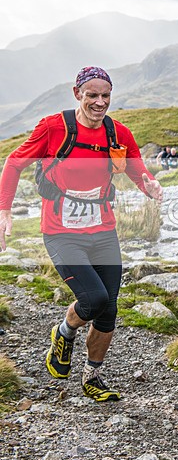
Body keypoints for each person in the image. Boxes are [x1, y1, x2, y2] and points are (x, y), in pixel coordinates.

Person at [0, 66, 163, 401]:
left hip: (103, 230)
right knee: (94, 299)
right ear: (77, 94)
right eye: (92, 95)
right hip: (61, 233)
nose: (100, 102)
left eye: (105, 95)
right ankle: (63, 332)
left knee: (109, 308)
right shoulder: (53, 128)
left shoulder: (119, 134)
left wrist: (150, 186)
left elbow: (137, 171)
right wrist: (4, 211)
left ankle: (93, 376)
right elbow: (14, 163)